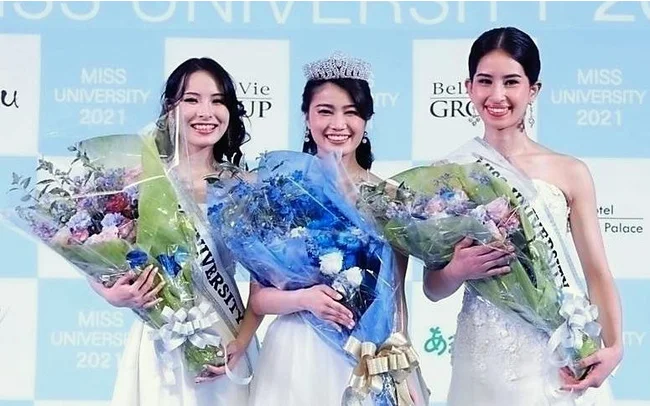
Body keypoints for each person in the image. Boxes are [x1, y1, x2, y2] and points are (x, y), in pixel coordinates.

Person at [422, 27, 622, 405]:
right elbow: (432, 288)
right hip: (481, 355)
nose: (497, 95)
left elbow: (597, 271)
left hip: (556, 352)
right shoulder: (449, 175)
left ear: (533, 90)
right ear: (469, 88)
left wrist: (614, 347)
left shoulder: (569, 171)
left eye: (511, 82)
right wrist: (457, 270)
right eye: (485, 81)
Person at [248, 52, 429, 406]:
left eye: (351, 112)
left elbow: (395, 299)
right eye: (325, 111)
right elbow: (258, 298)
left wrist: (403, 365)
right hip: (297, 353)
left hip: (365, 355)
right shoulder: (283, 190)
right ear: (307, 117)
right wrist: (305, 299)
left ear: (366, 120)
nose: (338, 123)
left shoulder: (389, 197)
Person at [90, 57, 260, 406]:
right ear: (171, 108)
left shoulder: (245, 186)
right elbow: (96, 254)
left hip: (226, 339)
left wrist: (241, 343)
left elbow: (265, 280)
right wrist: (111, 294)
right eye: (192, 99)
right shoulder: (142, 179)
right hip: (161, 339)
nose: (206, 112)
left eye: (217, 101)